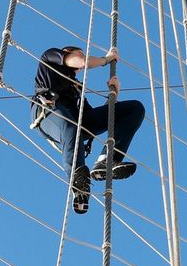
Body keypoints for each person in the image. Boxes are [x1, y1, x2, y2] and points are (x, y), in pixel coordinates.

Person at [31, 45, 145, 215]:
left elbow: (99, 118)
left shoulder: (76, 89)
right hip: (48, 113)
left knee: (134, 109)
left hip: (76, 120)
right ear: (67, 52)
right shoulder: (50, 57)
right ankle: (79, 184)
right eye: (79, 53)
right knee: (70, 126)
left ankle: (107, 161)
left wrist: (114, 94)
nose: (82, 56)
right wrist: (107, 59)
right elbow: (82, 62)